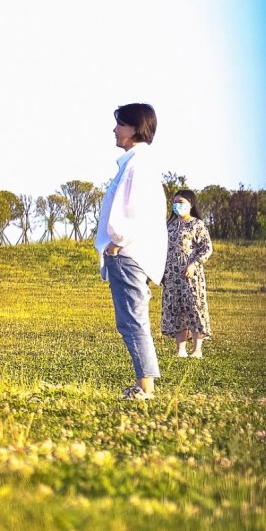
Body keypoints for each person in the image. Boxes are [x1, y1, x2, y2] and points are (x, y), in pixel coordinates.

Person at [94, 103, 168, 400]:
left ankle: (145, 387)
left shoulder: (137, 166)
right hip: (130, 252)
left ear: (135, 128)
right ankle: (144, 384)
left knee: (132, 321)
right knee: (133, 320)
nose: (115, 129)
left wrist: (116, 243)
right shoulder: (137, 163)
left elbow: (134, 210)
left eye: (120, 124)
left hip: (128, 253)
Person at [161, 189, 213, 358]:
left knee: (195, 308)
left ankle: (197, 350)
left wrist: (193, 264)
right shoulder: (169, 226)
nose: (178, 205)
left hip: (191, 275)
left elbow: (206, 248)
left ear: (191, 204)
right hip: (171, 276)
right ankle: (180, 350)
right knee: (176, 310)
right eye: (175, 202)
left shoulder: (197, 224)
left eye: (181, 202)